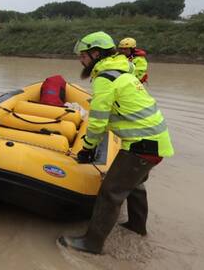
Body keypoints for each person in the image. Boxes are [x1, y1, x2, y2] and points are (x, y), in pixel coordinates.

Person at [58, 31, 174, 255]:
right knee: (135, 186)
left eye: (83, 56)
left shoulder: (105, 78)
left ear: (95, 54)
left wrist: (87, 149)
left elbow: (98, 122)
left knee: (110, 192)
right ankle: (137, 226)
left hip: (141, 146)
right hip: (156, 141)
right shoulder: (122, 73)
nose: (80, 60)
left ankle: (91, 243)